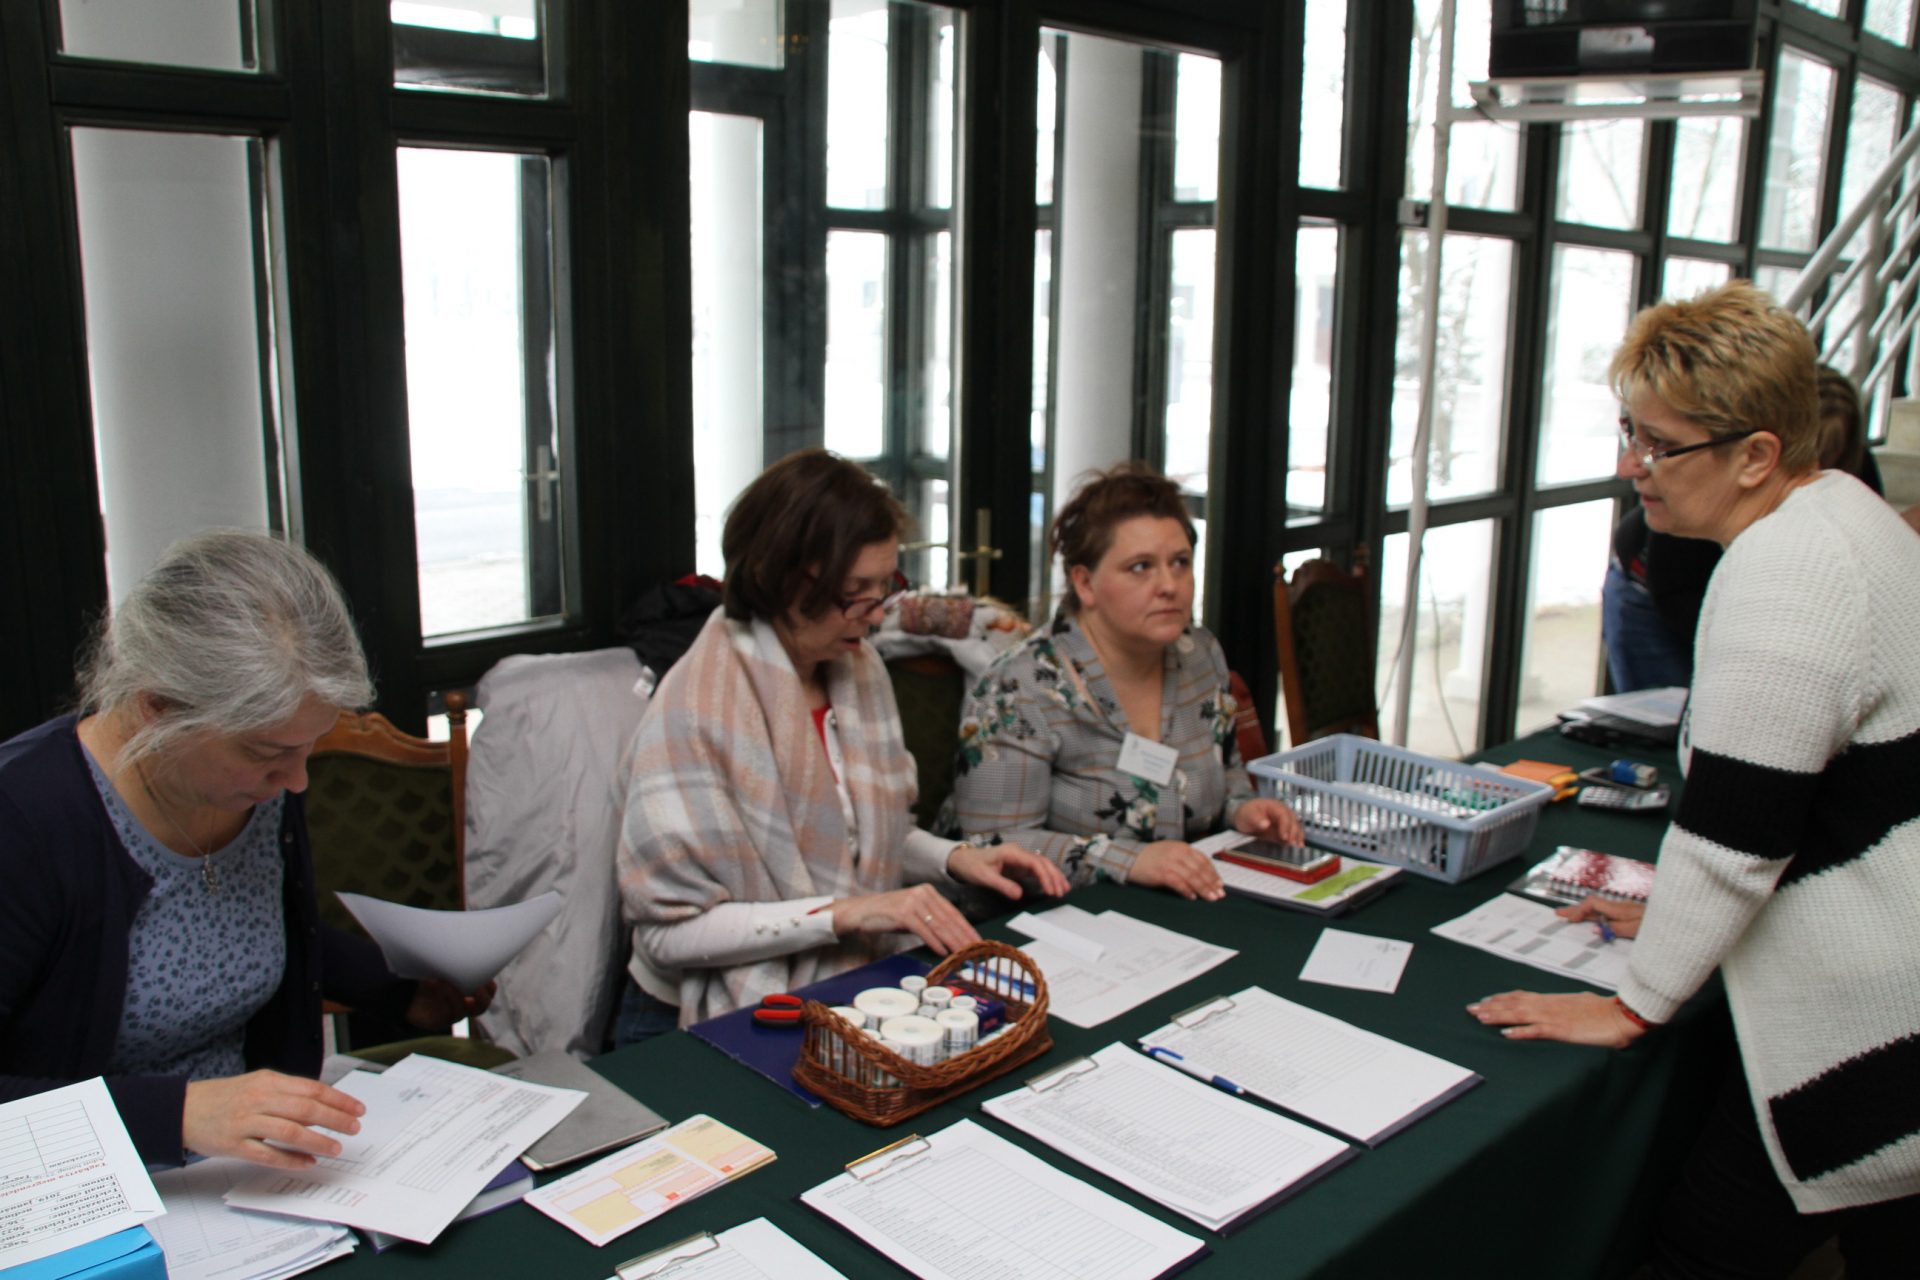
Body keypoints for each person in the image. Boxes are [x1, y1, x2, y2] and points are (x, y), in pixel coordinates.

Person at [1468, 282, 1920, 1277]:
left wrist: (1633, 1004)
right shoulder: (1844, 508)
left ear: (1756, 455)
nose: (1632, 466)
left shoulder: (1785, 573)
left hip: (1868, 1023)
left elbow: (1735, 838)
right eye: (1630, 432)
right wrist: (1671, 916)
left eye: (1661, 445)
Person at [0, 530, 491, 1171]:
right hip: (88, 1192)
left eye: (308, 747)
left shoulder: (255, 787)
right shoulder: (23, 821)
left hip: (249, 1175)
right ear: (156, 709)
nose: (298, 781)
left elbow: (243, 931)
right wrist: (178, 1116)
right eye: (267, 752)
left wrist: (399, 989)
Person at [614, 450, 1069, 1035]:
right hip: (680, 1017)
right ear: (781, 580)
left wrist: (955, 860)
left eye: (886, 587)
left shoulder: (858, 672)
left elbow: (864, 839)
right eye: (856, 592)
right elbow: (668, 933)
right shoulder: (697, 709)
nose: (876, 616)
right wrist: (849, 913)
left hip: (833, 980)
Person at [944, 462, 1301, 902]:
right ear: (1085, 583)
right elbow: (993, 846)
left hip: (1180, 905)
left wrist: (1242, 809)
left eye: (1180, 563)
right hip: (1043, 922)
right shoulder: (1019, 688)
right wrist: (1127, 860)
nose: (1169, 585)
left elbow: (1223, 773)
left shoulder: (1201, 654)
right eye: (1140, 567)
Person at [1600, 362, 1887, 692]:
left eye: (1820, 464)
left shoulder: (1852, 483)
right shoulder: (1701, 509)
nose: (1804, 477)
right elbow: (1675, 592)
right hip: (1654, 591)